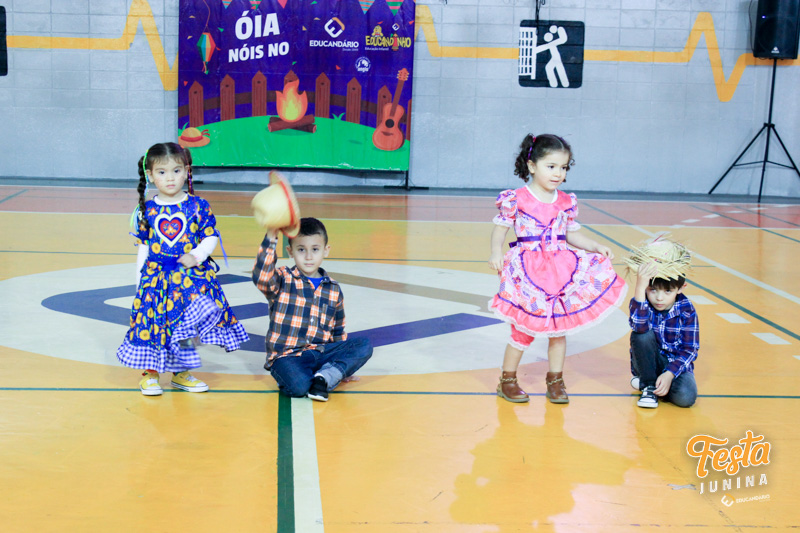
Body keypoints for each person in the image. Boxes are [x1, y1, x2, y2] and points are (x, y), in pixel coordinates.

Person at [488, 133, 626, 404]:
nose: (558, 173)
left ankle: (555, 380)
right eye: (551, 166)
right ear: (532, 166)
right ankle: (507, 380)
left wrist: (595, 246)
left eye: (563, 167)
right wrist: (496, 252)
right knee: (523, 329)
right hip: (528, 271)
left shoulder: (565, 201)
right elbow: (500, 230)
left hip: (560, 270)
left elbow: (571, 234)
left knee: (558, 330)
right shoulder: (516, 198)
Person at [117, 142, 249, 396]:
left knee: (185, 327)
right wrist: (139, 284)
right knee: (155, 326)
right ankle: (150, 374)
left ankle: (181, 372)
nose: (170, 178)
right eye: (162, 172)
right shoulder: (147, 210)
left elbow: (210, 236)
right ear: (150, 175)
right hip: (156, 283)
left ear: (187, 171)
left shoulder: (198, 206)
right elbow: (144, 248)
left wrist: (197, 255)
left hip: (188, 282)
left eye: (176, 171)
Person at [252, 217, 373, 401]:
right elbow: (261, 276)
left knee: (364, 345)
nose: (308, 257)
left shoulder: (333, 289)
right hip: (287, 357)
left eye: (315, 249)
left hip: (322, 352)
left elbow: (338, 330)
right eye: (301, 250)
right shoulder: (282, 279)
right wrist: (271, 236)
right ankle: (325, 376)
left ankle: (324, 377)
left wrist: (344, 366)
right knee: (299, 387)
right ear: (290, 251)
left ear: (326, 250)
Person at [626, 239, 698, 408]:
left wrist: (669, 374)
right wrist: (640, 286)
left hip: (673, 365)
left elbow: (690, 349)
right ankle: (649, 386)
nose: (659, 298)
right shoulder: (642, 302)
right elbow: (639, 327)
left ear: (680, 288)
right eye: (653, 290)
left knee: (686, 398)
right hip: (647, 362)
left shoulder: (687, 310)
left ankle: (651, 383)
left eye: (667, 291)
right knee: (641, 335)